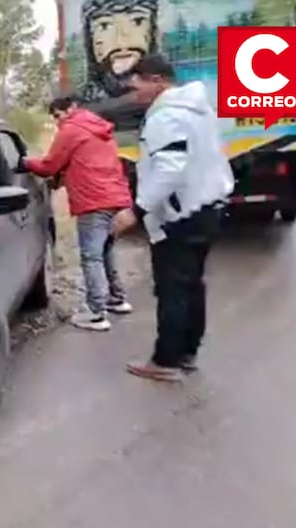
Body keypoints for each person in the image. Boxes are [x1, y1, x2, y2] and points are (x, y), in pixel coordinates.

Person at [111, 53, 234, 382]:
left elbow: (169, 170)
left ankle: (166, 361)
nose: (133, 91)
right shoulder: (198, 109)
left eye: (137, 83)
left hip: (183, 215)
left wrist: (136, 211)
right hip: (206, 207)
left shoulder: (167, 117)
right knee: (192, 284)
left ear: (157, 81)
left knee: (173, 288)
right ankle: (187, 352)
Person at [18, 95, 134, 331]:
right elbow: (78, 162)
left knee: (91, 257)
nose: (58, 122)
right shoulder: (99, 129)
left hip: (93, 201)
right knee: (105, 250)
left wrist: (25, 163)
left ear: (70, 109)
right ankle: (117, 298)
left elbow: (49, 165)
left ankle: (96, 313)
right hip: (116, 197)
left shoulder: (72, 129)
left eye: (58, 116)